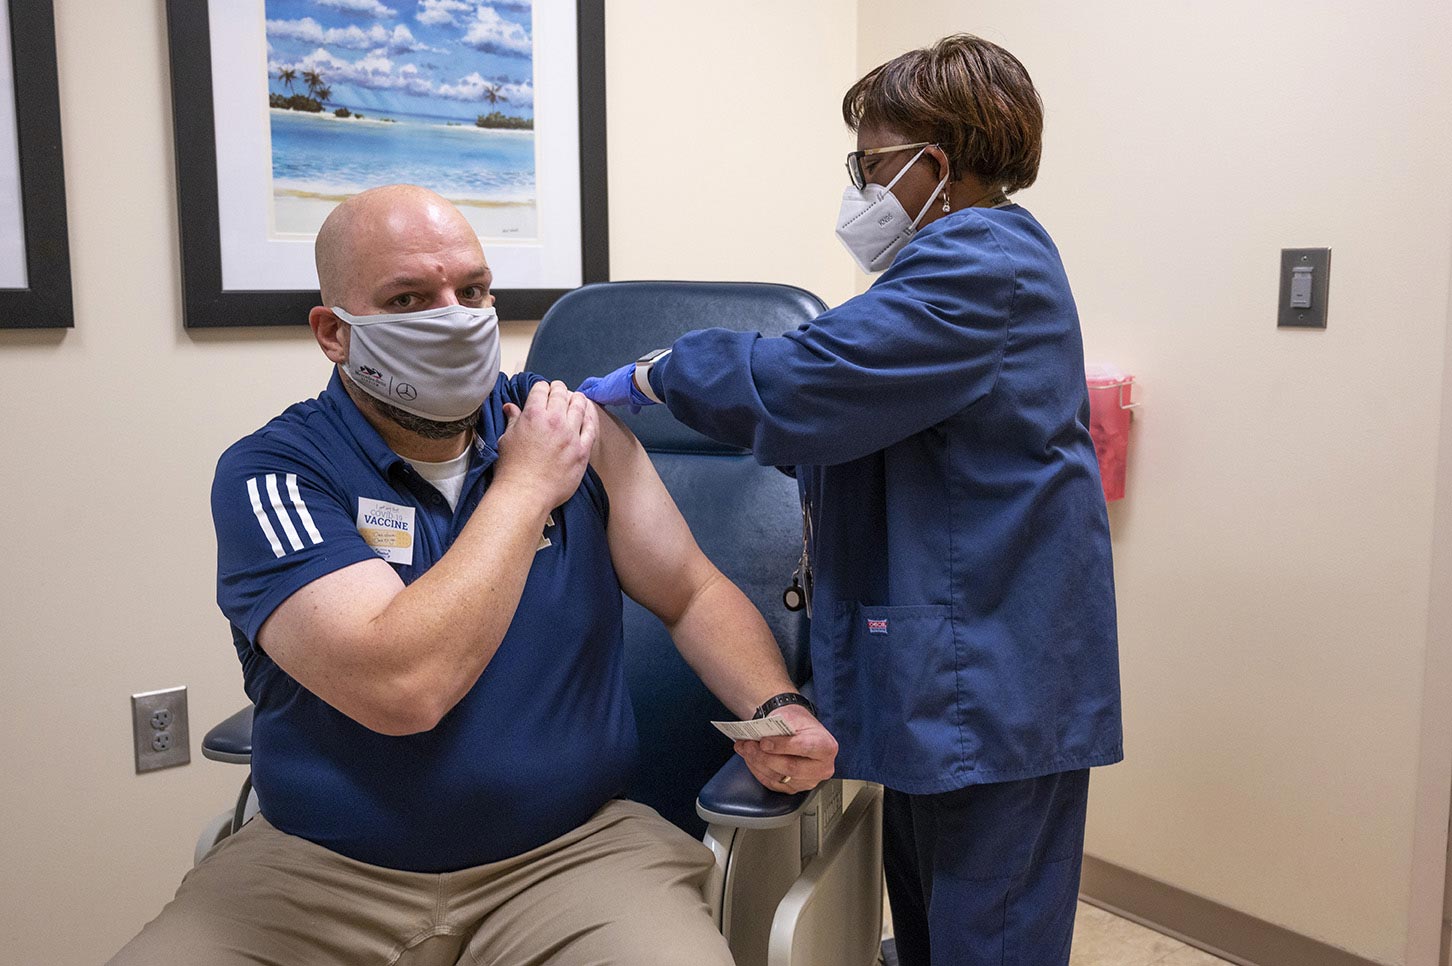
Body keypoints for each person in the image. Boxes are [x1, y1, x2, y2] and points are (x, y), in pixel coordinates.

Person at [109, 184, 837, 966]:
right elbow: (403, 687)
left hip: (574, 855)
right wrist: (523, 489)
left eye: (474, 290)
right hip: (319, 873)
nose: (456, 317)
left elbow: (691, 591)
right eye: (411, 298)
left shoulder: (572, 431)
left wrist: (777, 704)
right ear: (333, 332)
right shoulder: (277, 475)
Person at [578, 34, 1122, 966]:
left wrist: (658, 372)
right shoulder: (947, 269)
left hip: (995, 677)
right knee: (930, 924)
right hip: (953, 667)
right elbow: (867, 436)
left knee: (986, 938)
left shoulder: (980, 262)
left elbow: (803, 384)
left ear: (934, 166)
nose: (860, 188)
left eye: (869, 165)